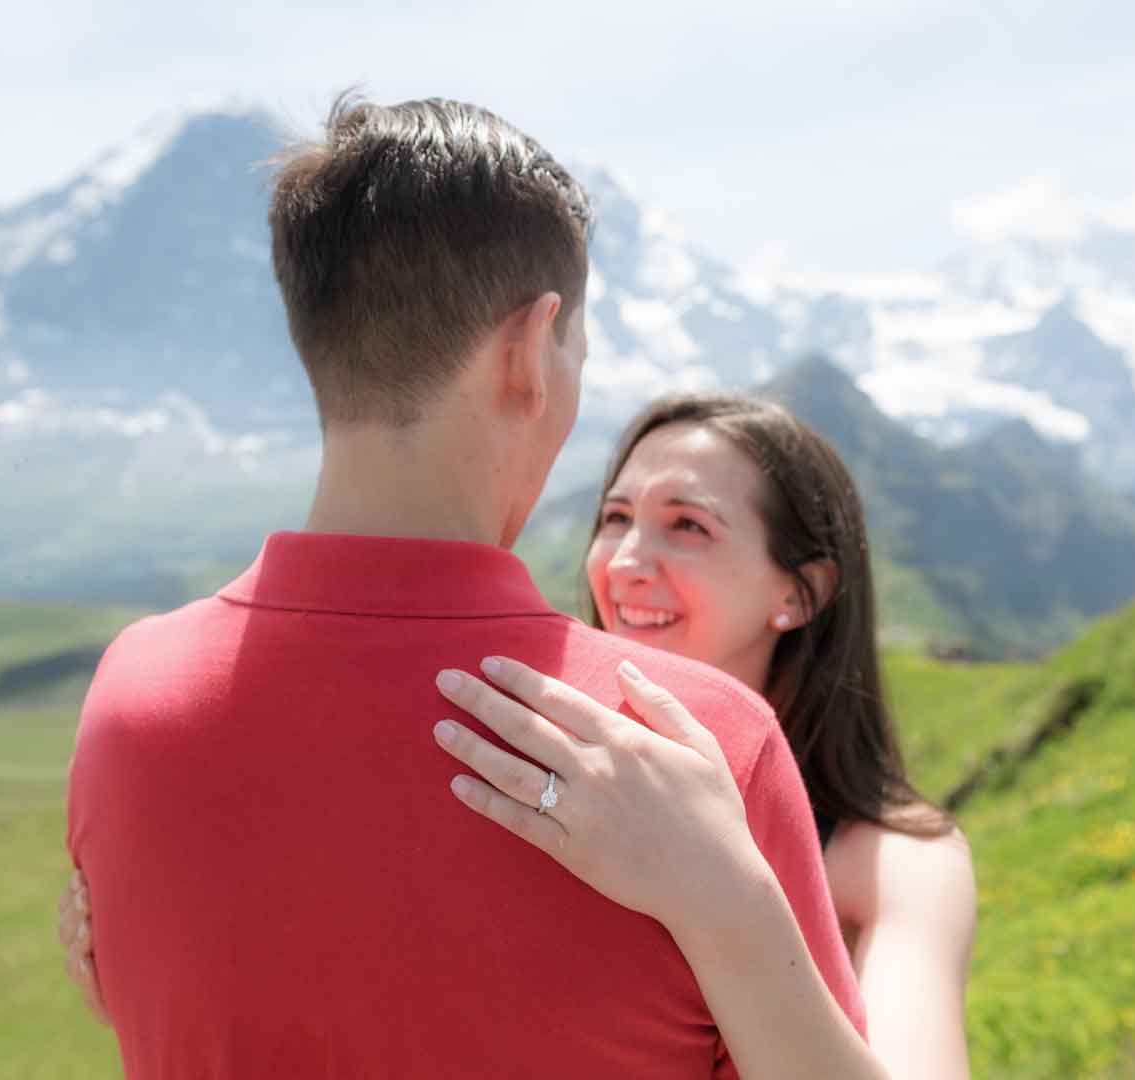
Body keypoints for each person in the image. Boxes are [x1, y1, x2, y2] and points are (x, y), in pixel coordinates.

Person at [63, 95, 875, 1079]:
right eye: (577, 348)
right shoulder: (696, 746)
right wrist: (734, 899)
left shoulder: (129, 696)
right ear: (530, 353)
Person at [63, 394, 976, 1078]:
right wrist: (147, 983)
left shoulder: (893, 859)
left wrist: (724, 893)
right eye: (615, 518)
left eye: (687, 527)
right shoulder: (515, 751)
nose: (625, 562)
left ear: (800, 594)